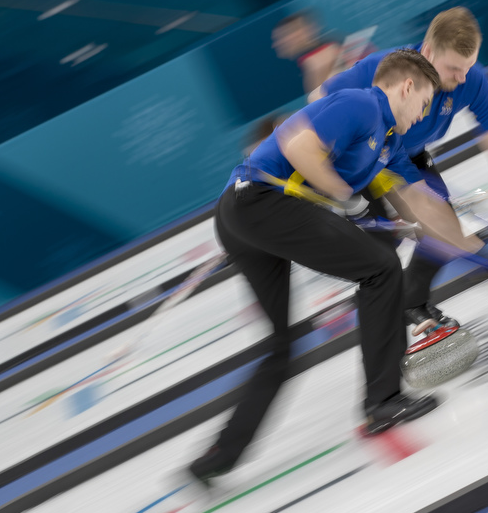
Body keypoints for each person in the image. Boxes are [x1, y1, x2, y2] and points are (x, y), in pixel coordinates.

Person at [189, 49, 471, 484]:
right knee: (380, 269)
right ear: (406, 86)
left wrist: (457, 236)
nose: (423, 114)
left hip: (243, 216)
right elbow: (298, 145)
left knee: (285, 344)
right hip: (257, 202)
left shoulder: (391, 141)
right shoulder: (361, 104)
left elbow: (415, 198)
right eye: (424, 101)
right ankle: (383, 401)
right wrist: (347, 196)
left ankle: (217, 458)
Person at [309, 7, 488, 335]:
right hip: (367, 158)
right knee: (390, 247)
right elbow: (317, 99)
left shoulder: (472, 78)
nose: (462, 77)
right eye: (453, 68)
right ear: (427, 53)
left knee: (442, 231)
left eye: (467, 67)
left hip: (407, 156)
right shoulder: (383, 68)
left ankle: (412, 302)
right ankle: (383, 321)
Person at [272, 10, 343, 94]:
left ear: (303, 32)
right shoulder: (327, 52)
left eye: (282, 36)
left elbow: (324, 102)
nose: (276, 44)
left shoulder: (318, 62)